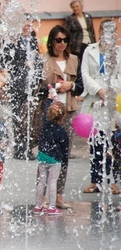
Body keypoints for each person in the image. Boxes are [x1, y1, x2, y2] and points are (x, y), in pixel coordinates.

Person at [41, 25, 84, 209]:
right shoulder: (44, 60)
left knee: (64, 155)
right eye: (58, 40)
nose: (62, 43)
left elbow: (81, 86)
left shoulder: (74, 59)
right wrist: (57, 87)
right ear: (51, 41)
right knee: (46, 155)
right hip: (51, 114)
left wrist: (71, 86)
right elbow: (38, 89)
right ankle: (41, 197)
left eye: (65, 40)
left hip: (69, 112)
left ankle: (59, 196)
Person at [80, 19, 121, 194]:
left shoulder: (119, 52)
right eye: (105, 31)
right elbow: (85, 73)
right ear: (100, 32)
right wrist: (99, 90)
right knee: (95, 141)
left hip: (113, 100)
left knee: (113, 141)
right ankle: (95, 180)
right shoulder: (90, 50)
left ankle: (113, 180)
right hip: (94, 100)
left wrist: (110, 92)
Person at [1, 17, 43, 160]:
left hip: (31, 85)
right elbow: (5, 60)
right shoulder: (12, 41)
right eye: (24, 25)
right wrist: (22, 63)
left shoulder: (33, 41)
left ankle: (28, 148)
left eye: (28, 25)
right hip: (17, 86)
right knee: (18, 117)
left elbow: (37, 60)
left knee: (30, 118)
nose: (26, 28)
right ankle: (19, 149)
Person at [34, 97, 68, 216]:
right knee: (52, 182)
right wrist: (64, 162)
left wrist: (49, 99)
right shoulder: (62, 131)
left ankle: (38, 206)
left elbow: (45, 111)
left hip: (42, 157)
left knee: (41, 181)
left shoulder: (45, 124)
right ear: (63, 116)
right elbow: (65, 149)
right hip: (55, 160)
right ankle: (52, 207)